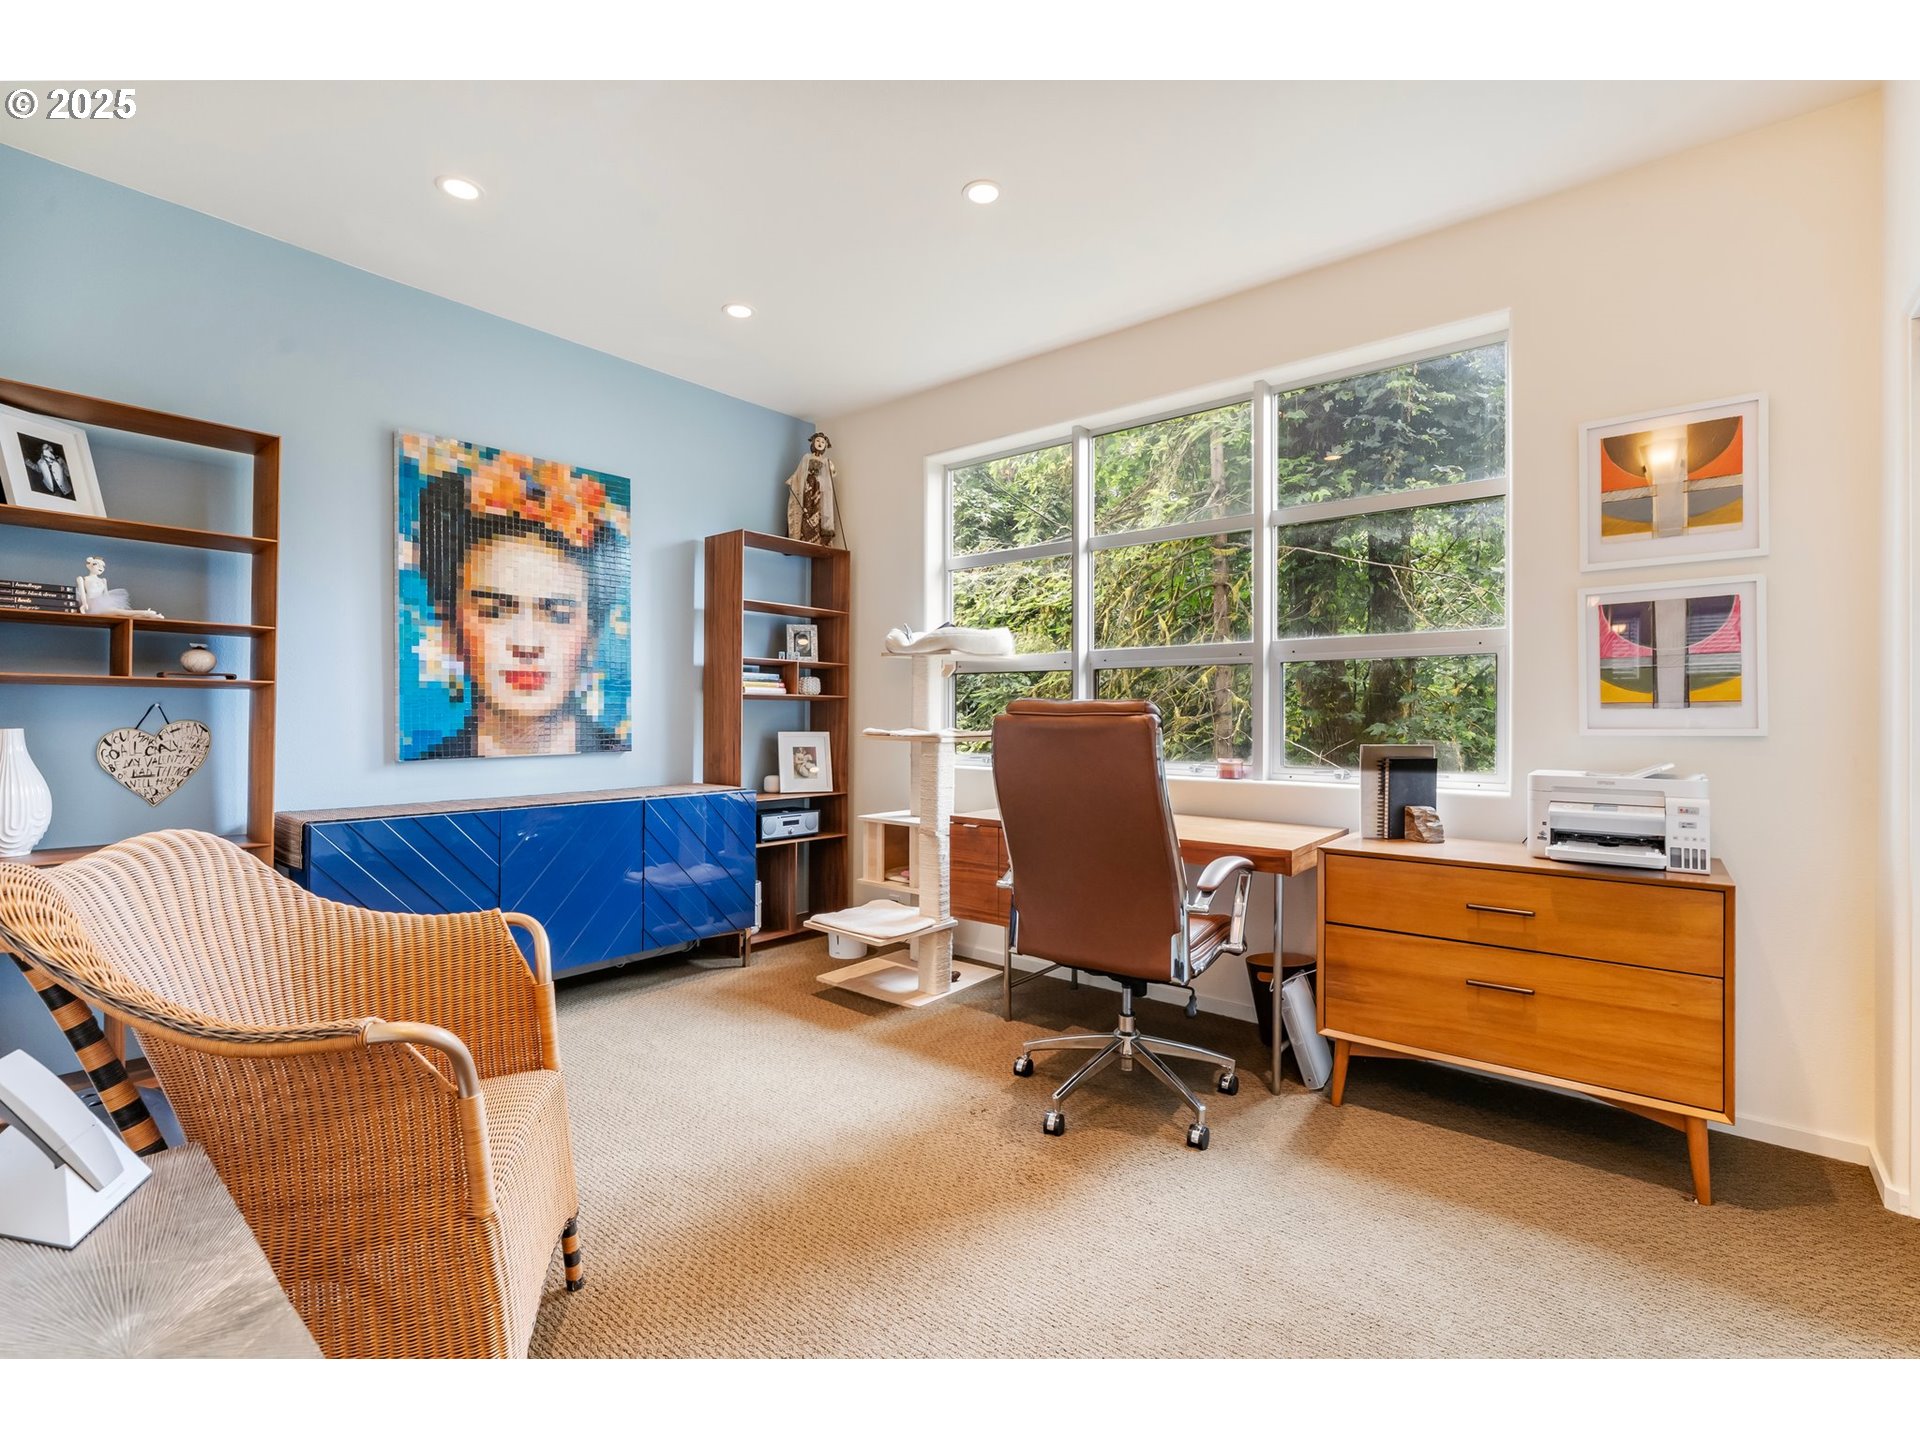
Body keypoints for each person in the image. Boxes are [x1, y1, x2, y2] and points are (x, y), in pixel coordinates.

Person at [412, 449, 630, 758]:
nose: (527, 644)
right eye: (494, 611)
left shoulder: (618, 757)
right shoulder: (432, 769)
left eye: (558, 614)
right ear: (450, 628)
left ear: (591, 636)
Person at [785, 431, 844, 548]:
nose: (820, 443)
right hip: (808, 487)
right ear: (813, 443)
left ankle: (817, 537)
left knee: (818, 510)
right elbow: (799, 473)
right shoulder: (807, 457)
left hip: (819, 489)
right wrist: (793, 480)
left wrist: (830, 467)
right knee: (807, 510)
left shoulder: (825, 461)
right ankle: (804, 535)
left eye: (823, 442)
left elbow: (832, 474)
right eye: (817, 441)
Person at [75, 556, 162, 617]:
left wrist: (110, 604)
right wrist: (84, 605)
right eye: (96, 564)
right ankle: (146, 613)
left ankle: (149, 615)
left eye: (103, 566)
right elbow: (83, 594)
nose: (101, 567)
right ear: (89, 566)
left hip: (102, 605)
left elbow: (106, 595)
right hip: (91, 605)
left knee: (121, 613)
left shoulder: (103, 580)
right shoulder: (82, 579)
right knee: (119, 612)